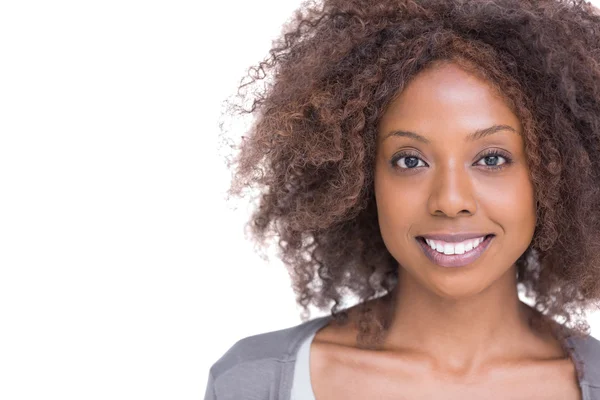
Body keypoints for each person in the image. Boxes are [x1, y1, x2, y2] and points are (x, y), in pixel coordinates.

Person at [206, 0, 600, 398]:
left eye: (492, 158)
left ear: (557, 177)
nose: (449, 200)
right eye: (410, 160)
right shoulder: (255, 382)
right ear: (359, 179)